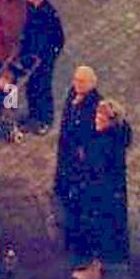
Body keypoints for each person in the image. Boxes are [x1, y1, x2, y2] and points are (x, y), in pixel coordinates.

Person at [71, 98, 132, 279]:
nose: (97, 119)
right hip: (110, 192)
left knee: (99, 228)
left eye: (102, 118)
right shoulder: (117, 136)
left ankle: (95, 268)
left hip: (101, 194)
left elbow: (95, 168)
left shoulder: (105, 144)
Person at [54, 66, 100, 251]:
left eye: (81, 81)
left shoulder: (95, 105)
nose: (76, 84)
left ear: (91, 84)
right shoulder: (73, 94)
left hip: (79, 161)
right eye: (75, 80)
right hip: (66, 153)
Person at [18, 0, 65, 133]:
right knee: (31, 87)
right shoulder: (30, 8)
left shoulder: (49, 14)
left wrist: (48, 57)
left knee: (42, 88)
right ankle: (33, 116)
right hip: (30, 57)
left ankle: (45, 120)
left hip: (43, 60)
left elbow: (58, 39)